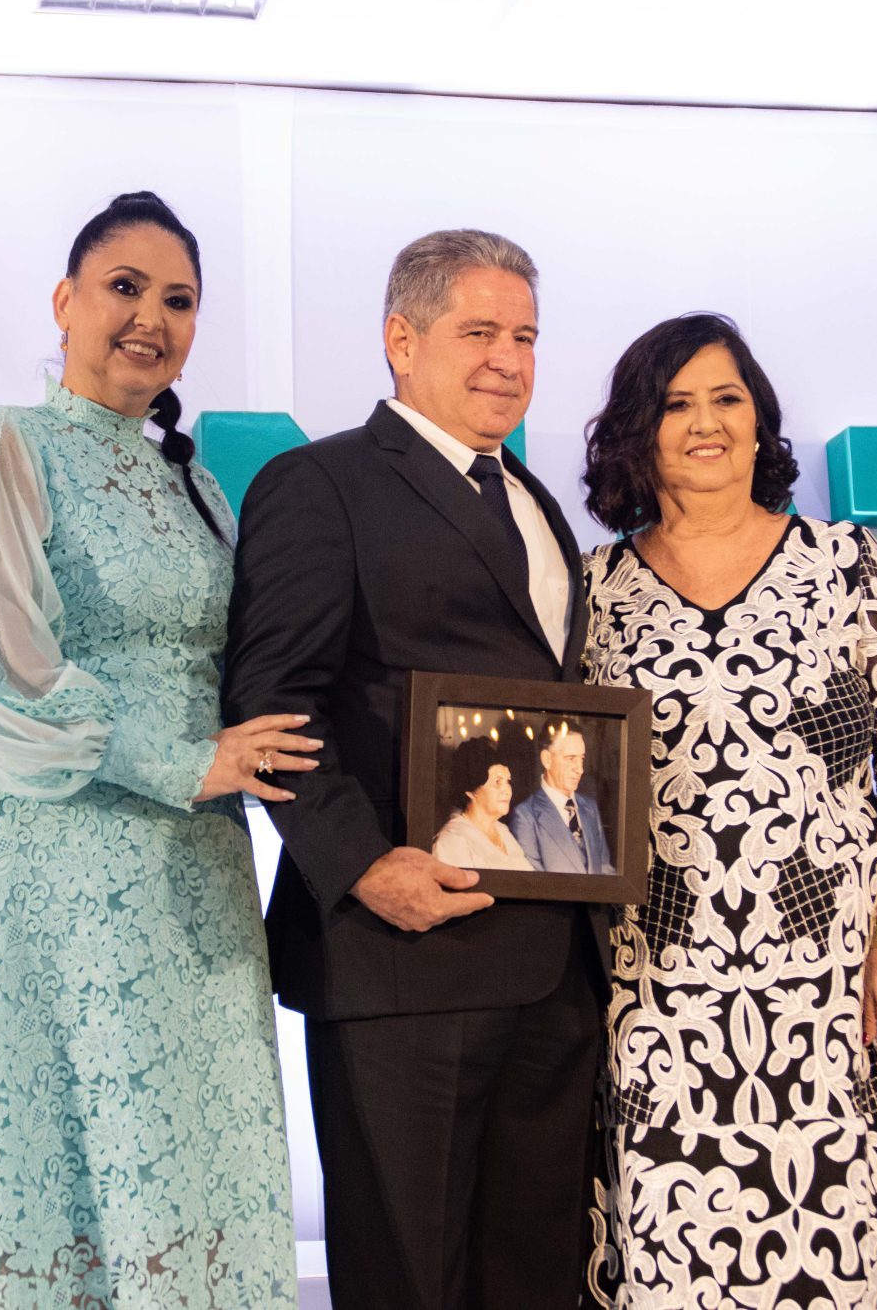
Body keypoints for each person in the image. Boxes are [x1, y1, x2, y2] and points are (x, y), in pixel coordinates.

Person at [0, 191, 300, 1307]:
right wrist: (185, 762)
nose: (150, 318)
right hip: (73, 859)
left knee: (200, 1146)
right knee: (101, 1141)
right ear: (64, 300)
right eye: (124, 287)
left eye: (178, 300)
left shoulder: (198, 482)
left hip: (201, 860)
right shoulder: (4, 444)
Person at [225, 229, 605, 1310]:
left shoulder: (535, 500)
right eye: (479, 331)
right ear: (401, 338)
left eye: (524, 336)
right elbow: (273, 702)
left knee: (535, 1277)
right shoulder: (319, 483)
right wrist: (361, 866)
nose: (508, 360)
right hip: (400, 956)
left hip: (550, 960)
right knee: (408, 1278)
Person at [576, 311, 877, 1307]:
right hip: (656, 984)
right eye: (675, 403)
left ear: (760, 420)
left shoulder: (847, 565)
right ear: (637, 431)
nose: (704, 422)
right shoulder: (593, 592)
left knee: (844, 1242)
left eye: (727, 398)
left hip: (833, 979)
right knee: (680, 1248)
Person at [504, 721, 612, 874]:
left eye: (581, 758)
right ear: (547, 759)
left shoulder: (590, 807)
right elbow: (531, 883)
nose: (580, 769)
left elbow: (606, 870)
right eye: (571, 758)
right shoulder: (525, 816)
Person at [431, 738, 535, 871]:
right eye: (497, 781)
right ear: (470, 791)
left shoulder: (503, 831)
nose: (507, 790)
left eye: (508, 781)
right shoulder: (452, 841)